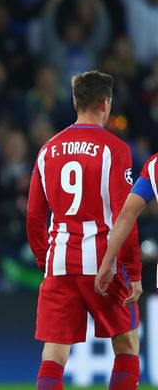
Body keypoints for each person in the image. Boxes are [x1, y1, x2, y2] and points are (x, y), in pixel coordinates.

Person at [26, 70, 141, 389]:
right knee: (127, 347)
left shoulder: (48, 149)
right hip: (104, 264)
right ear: (106, 104)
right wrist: (133, 271)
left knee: (53, 356)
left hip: (60, 264)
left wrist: (44, 261)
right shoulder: (115, 149)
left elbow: (35, 216)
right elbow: (125, 216)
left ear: (76, 102)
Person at [95, 151, 156, 293]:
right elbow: (127, 214)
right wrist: (108, 261)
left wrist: (107, 262)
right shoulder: (154, 167)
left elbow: (127, 215)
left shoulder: (154, 165)